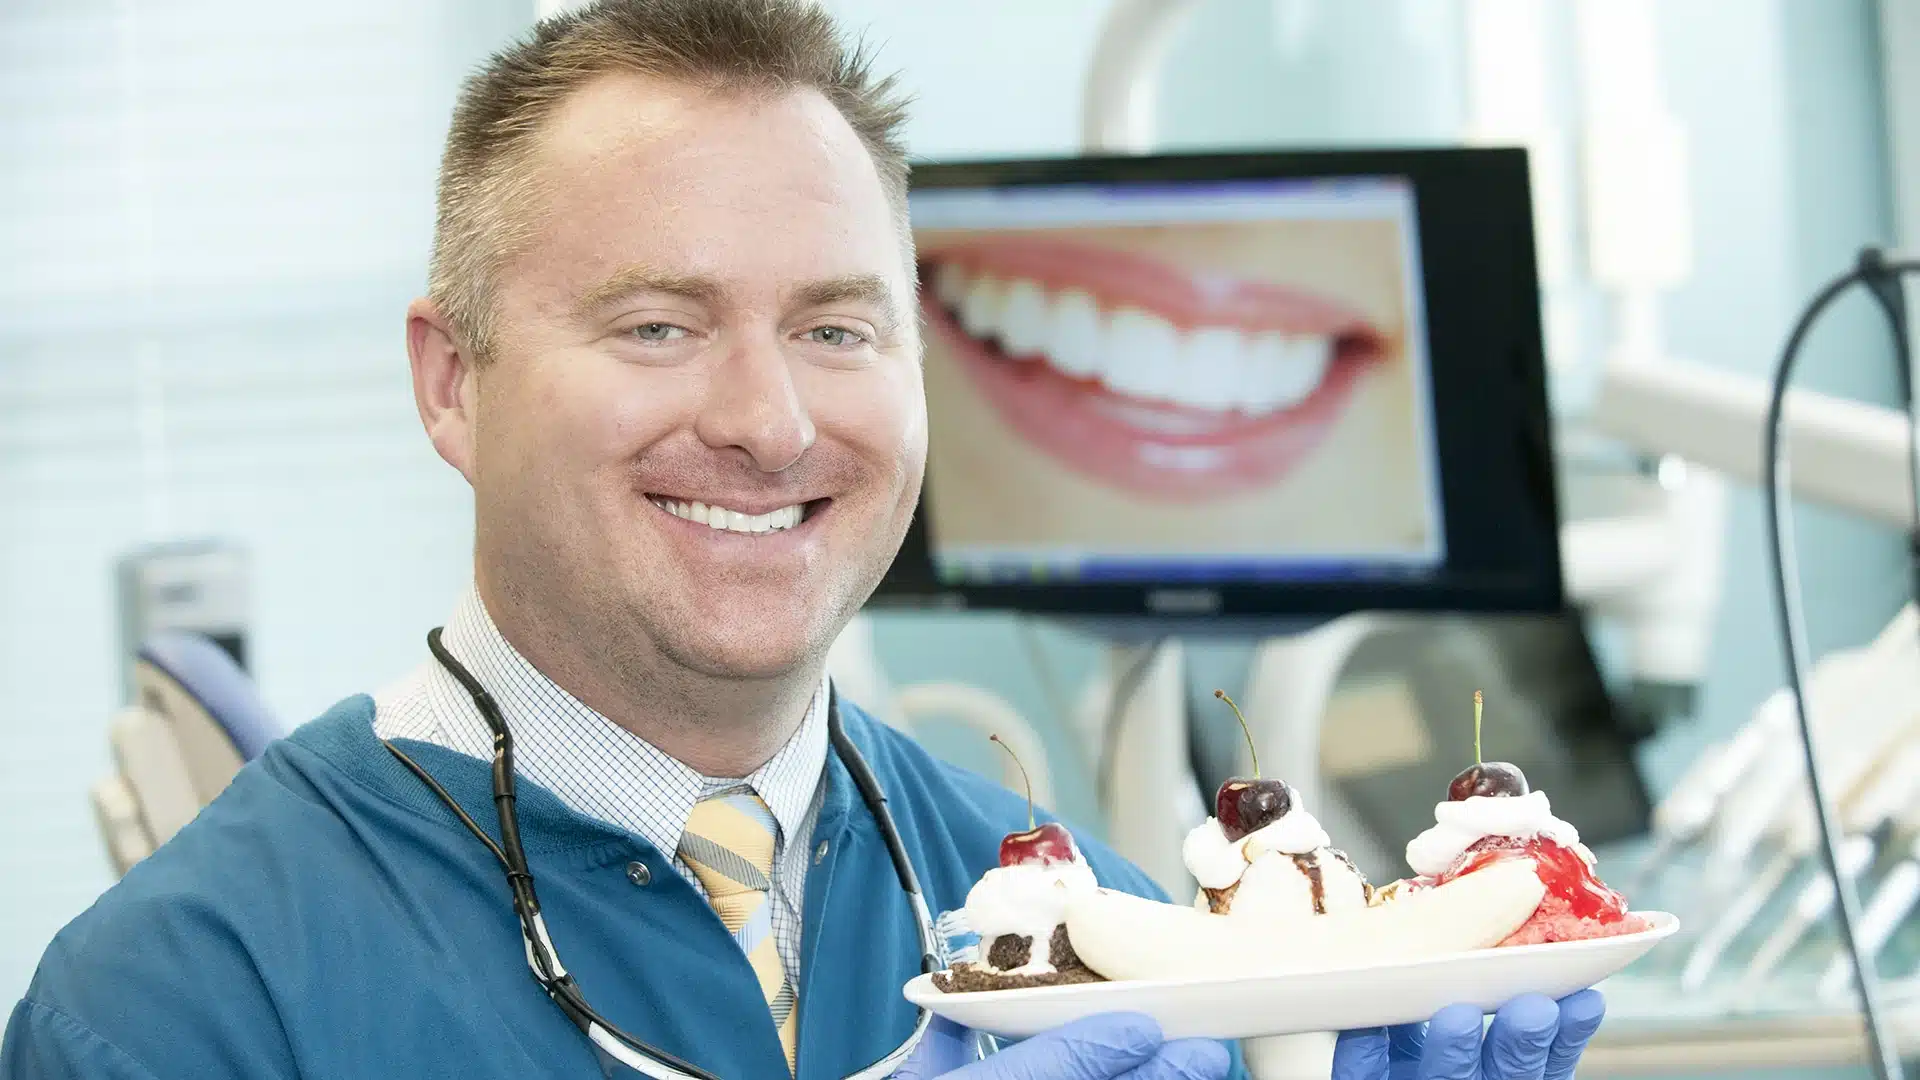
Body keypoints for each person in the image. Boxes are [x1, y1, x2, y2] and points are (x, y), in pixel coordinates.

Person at [0, 2, 1606, 1078]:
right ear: (452, 382)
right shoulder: (182, 1005)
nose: (769, 425)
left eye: (837, 330)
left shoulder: (1081, 922)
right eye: (656, 325)